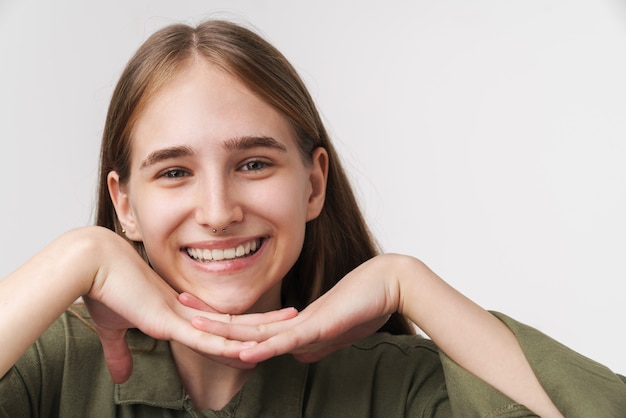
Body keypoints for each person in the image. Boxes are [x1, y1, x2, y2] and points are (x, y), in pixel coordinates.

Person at [0, 19, 624, 418]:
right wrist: (76, 256)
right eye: (173, 172)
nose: (218, 213)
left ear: (314, 183)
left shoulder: (396, 385)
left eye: (253, 164)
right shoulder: (50, 363)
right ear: (125, 205)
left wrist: (409, 281)